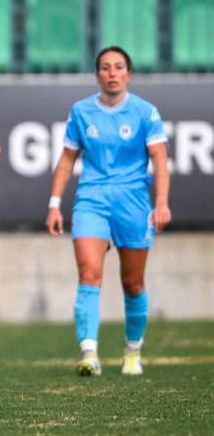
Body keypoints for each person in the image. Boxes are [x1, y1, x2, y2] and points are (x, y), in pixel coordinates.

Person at [46, 46, 170, 376]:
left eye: (118, 67)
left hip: (134, 202)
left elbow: (159, 160)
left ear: (128, 74)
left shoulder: (145, 112)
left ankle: (133, 351)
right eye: (105, 67)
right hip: (92, 199)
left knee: (133, 283)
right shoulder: (82, 111)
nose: (112, 73)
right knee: (88, 273)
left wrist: (160, 202)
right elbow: (67, 160)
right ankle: (89, 354)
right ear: (97, 74)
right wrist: (54, 204)